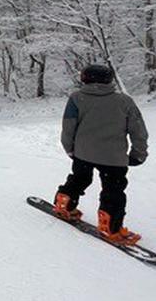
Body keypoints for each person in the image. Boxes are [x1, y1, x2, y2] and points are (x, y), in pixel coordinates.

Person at [53, 64, 148, 245]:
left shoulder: (76, 98)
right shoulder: (124, 101)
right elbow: (138, 130)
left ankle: (64, 205)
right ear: (109, 79)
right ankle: (110, 228)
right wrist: (138, 153)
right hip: (113, 158)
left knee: (79, 179)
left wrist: (70, 149)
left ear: (84, 78)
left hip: (83, 153)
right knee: (113, 191)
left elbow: (68, 127)